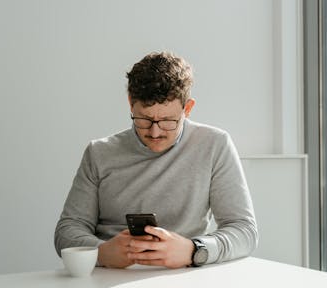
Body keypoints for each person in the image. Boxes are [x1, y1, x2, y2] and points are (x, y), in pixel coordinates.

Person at [54, 51, 258, 269]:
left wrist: (194, 250)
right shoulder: (99, 153)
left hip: (184, 278)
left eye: (168, 120)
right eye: (144, 119)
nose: (155, 132)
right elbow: (67, 230)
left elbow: (244, 231)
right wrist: (101, 252)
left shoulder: (214, 145)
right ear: (131, 103)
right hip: (109, 275)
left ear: (187, 109)